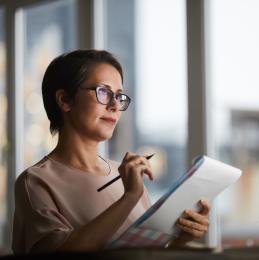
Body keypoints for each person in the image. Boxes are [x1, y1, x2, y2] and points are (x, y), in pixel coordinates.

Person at [12, 49, 210, 254]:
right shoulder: (35, 182)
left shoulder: (123, 174)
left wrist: (180, 240)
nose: (115, 106)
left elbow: (146, 253)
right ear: (64, 100)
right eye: (103, 92)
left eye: (119, 96)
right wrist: (130, 197)